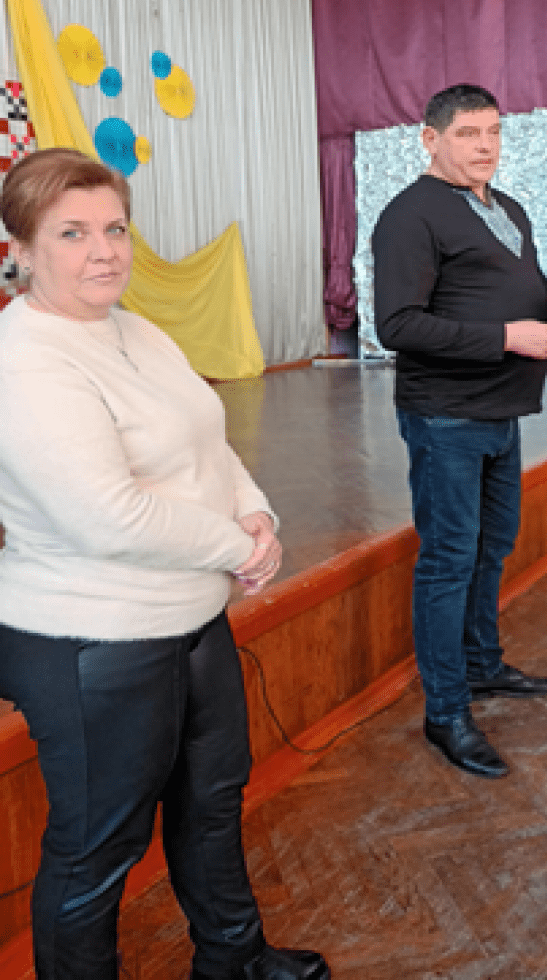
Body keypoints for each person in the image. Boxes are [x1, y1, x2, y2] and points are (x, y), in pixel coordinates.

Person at [0, 149, 330, 980]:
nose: (103, 251)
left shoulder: (134, 327)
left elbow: (207, 439)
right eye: (72, 233)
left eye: (115, 229)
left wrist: (256, 511)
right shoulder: (25, 358)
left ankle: (233, 958)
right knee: (97, 847)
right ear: (22, 248)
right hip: (92, 637)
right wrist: (237, 548)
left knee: (211, 802)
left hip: (190, 617)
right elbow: (106, 515)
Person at [372, 84, 547, 780]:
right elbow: (396, 324)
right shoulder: (409, 215)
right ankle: (446, 711)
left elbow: (527, 286)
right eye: (468, 133)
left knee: (492, 548)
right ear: (430, 139)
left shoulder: (508, 207)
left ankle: (481, 665)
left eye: (493, 131)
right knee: (449, 560)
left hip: (502, 410)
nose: (486, 145)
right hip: (446, 415)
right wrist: (506, 336)